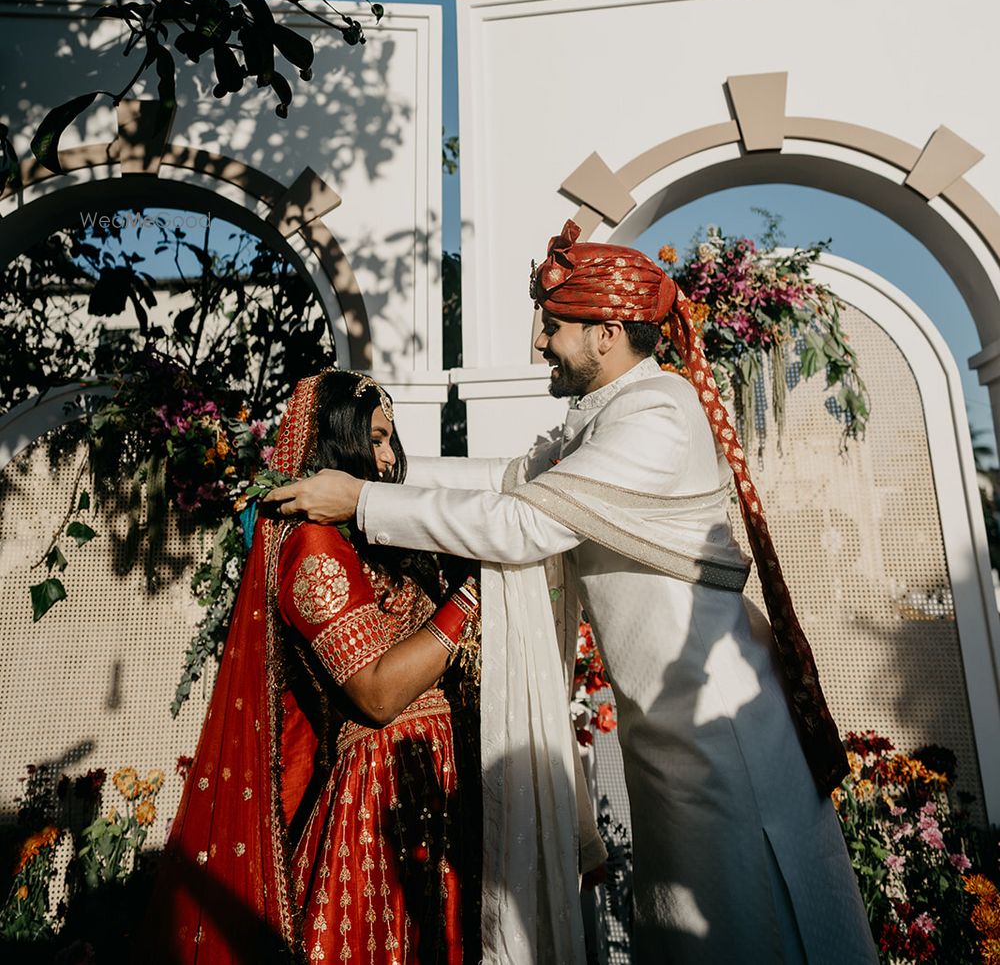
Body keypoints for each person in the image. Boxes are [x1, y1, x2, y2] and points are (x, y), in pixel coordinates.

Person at [267, 223, 880, 965]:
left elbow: (522, 521)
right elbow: (504, 478)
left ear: (608, 334)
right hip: (673, 747)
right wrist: (372, 472)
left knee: (755, 934)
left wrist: (362, 502)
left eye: (553, 328)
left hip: (724, 745)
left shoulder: (657, 413)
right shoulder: (603, 420)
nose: (539, 346)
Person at [147, 368, 481, 965]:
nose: (386, 458)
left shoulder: (378, 536)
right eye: (372, 440)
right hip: (379, 799)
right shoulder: (313, 547)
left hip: (431, 783)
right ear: (334, 446)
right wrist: (471, 601)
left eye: (389, 441)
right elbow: (376, 693)